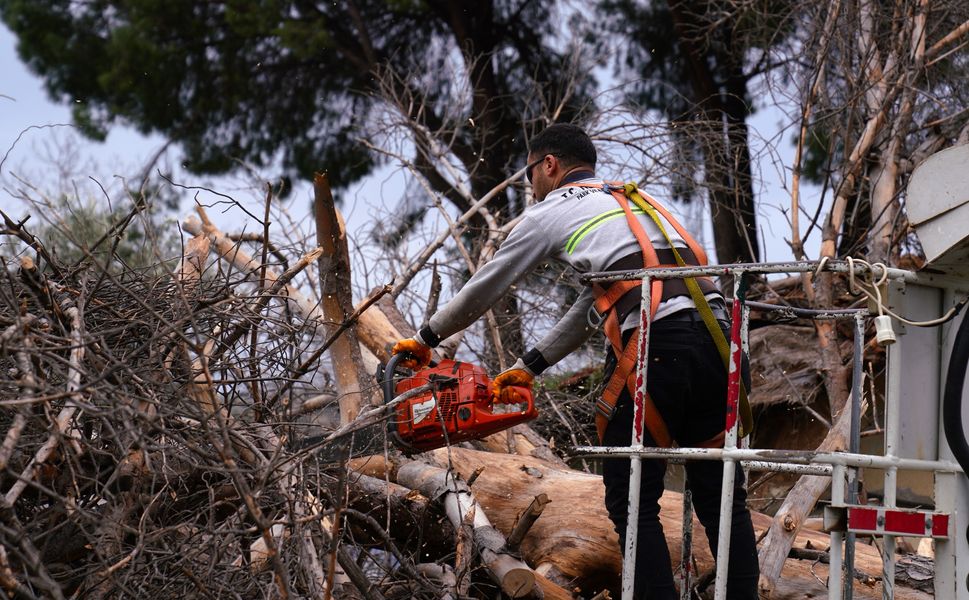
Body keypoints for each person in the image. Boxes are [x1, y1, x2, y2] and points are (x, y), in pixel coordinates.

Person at [392, 123, 759, 599]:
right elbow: (603, 301)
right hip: (721, 342)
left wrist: (426, 337)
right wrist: (531, 364)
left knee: (633, 502)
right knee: (722, 498)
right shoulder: (636, 201)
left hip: (659, 347)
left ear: (549, 165)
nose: (531, 188)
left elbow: (487, 284)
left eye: (530, 176)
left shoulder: (553, 211)